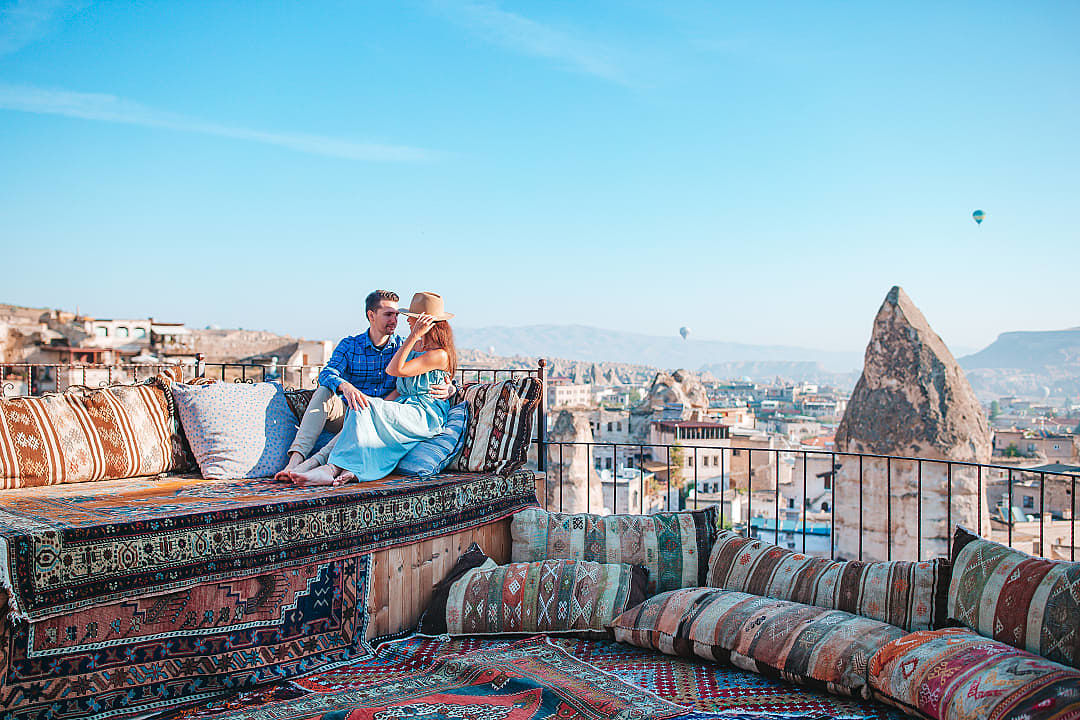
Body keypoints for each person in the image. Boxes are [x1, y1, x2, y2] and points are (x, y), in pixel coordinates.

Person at [276, 290, 452, 480]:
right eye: (388, 314)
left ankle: (318, 466)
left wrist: (451, 389)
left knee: (364, 408)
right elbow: (327, 373)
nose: (395, 320)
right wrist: (346, 387)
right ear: (371, 315)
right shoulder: (350, 345)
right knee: (324, 391)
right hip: (349, 412)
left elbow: (437, 376)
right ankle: (295, 461)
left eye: (397, 315)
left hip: (378, 416)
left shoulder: (404, 347)